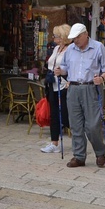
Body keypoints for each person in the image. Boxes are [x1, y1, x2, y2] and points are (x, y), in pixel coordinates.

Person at [54, 23, 105, 168]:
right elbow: (66, 68)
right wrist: (60, 71)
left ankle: (100, 152)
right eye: (73, 38)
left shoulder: (98, 47)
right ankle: (79, 156)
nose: (75, 41)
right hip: (73, 87)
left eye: (77, 37)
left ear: (85, 34)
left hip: (91, 88)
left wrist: (102, 78)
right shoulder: (70, 50)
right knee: (75, 124)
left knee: (93, 125)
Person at [40, 24, 72, 154]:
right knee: (54, 114)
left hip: (64, 85)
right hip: (52, 84)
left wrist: (69, 80)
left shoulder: (70, 50)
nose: (54, 37)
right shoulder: (56, 48)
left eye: (56, 36)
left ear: (63, 37)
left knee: (65, 114)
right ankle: (54, 143)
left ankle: (78, 140)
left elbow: (72, 66)